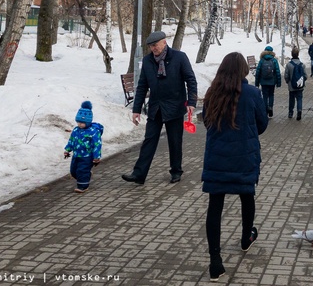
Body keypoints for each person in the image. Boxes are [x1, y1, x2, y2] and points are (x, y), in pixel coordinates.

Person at [202, 52, 268, 281]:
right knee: (247, 196)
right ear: (243, 70)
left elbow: (206, 122)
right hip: (244, 158)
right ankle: (245, 239)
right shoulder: (252, 94)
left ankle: (215, 261)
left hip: (217, 159)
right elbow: (262, 124)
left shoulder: (212, 93)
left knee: (215, 206)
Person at [122, 31, 198, 185]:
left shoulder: (179, 57)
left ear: (164, 42)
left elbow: (191, 80)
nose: (153, 49)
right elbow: (142, 86)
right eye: (150, 46)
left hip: (175, 107)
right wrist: (136, 110)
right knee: (149, 140)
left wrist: (191, 102)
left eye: (155, 45)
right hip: (156, 108)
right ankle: (139, 174)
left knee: (175, 141)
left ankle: (176, 171)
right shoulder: (148, 61)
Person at [64, 101, 104, 193]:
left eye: (82, 123)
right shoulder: (76, 130)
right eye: (78, 122)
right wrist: (67, 149)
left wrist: (96, 156)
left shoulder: (93, 131)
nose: (80, 125)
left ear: (88, 121)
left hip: (87, 156)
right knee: (74, 171)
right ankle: (86, 175)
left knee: (82, 170)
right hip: (76, 155)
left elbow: (97, 145)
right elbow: (72, 140)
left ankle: (83, 186)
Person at [254, 45, 282, 118]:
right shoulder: (274, 60)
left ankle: (265, 110)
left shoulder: (262, 60)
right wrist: (278, 83)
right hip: (272, 82)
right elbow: (278, 72)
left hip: (263, 82)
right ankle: (270, 108)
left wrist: (257, 83)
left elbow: (258, 72)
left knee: (265, 96)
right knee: (271, 95)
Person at [284, 46, 307, 120]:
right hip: (300, 86)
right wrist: (302, 81)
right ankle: (299, 111)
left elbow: (286, 75)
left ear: (291, 54)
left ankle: (290, 113)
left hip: (291, 86)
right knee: (299, 99)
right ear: (298, 54)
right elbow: (305, 76)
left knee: (291, 99)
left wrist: (288, 81)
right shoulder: (302, 65)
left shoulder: (289, 65)